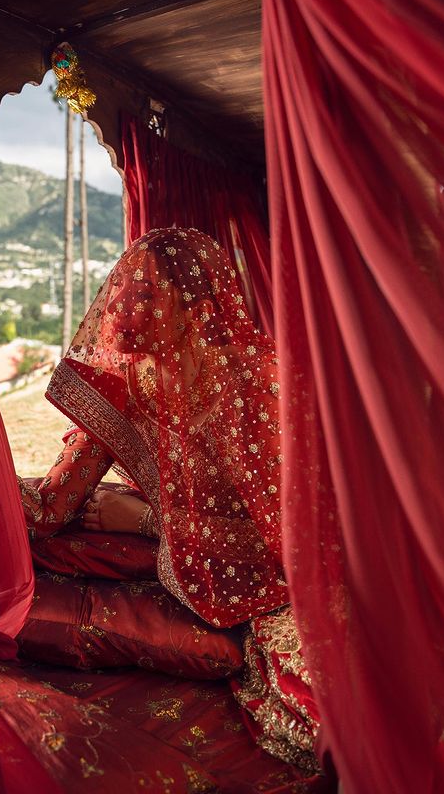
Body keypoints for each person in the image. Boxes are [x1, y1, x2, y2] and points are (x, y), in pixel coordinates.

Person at [20, 226, 289, 627]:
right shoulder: (118, 387)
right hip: (177, 545)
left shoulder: (255, 387)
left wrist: (145, 521)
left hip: (259, 570)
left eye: (144, 295)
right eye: (119, 288)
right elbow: (49, 510)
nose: (116, 306)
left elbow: (290, 540)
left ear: (199, 313)